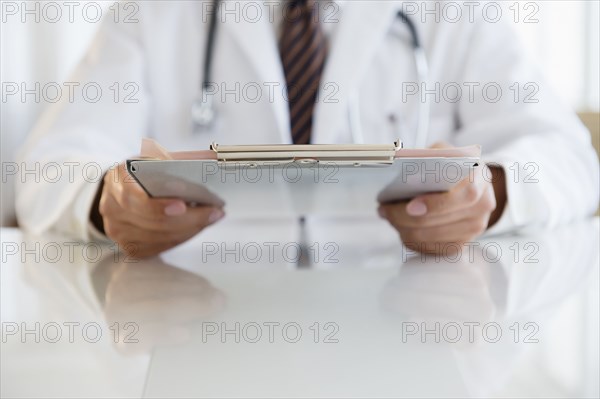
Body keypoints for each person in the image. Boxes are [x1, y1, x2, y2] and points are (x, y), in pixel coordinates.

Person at [16, 1, 599, 258]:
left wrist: (489, 193)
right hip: (201, 321)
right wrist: (104, 202)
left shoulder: (456, 9)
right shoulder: (151, 11)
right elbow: (48, 168)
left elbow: (568, 157)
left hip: (410, 325)